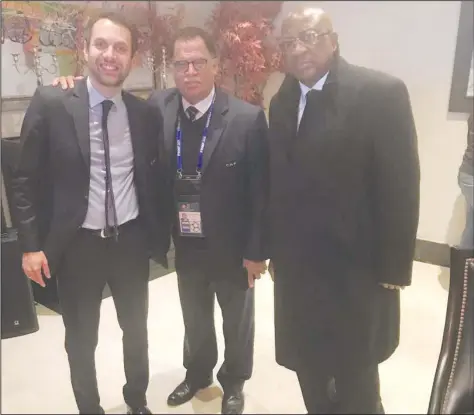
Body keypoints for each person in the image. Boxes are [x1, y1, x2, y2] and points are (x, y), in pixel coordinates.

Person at [52, 26, 269, 415]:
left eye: (198, 62)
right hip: (185, 241)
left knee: (236, 321)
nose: (189, 71)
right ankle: (197, 373)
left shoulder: (246, 119)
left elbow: (260, 193)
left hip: (233, 246)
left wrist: (257, 252)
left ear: (215, 65)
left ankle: (234, 382)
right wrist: (71, 83)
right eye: (180, 63)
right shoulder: (158, 108)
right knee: (195, 317)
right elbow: (103, 99)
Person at [12, 11, 170, 415]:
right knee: (81, 338)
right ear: (85, 50)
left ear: (132, 58)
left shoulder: (144, 114)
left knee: (136, 332)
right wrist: (31, 246)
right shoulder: (52, 103)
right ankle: (89, 408)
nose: (110, 54)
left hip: (130, 241)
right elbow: (24, 179)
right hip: (77, 244)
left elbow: (152, 178)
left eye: (120, 47)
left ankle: (137, 400)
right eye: (101, 44)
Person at [267, 7, 420, 414]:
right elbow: (279, 185)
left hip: (355, 270)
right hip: (300, 271)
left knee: (356, 381)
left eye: (310, 37)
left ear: (333, 40)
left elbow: (401, 187)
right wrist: (276, 252)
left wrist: (393, 270)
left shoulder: (380, 94)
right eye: (289, 42)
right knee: (309, 368)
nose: (300, 49)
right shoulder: (281, 101)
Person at [458, 111, 473, 248]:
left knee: (472, 224)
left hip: (468, 174)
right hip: (470, 176)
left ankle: (462, 266)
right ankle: (462, 266)